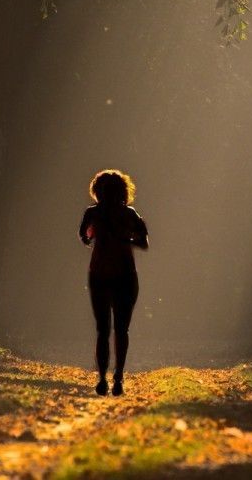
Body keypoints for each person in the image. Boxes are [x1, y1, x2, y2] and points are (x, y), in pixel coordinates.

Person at [78, 168, 148, 395]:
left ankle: (102, 378)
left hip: (99, 274)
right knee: (121, 329)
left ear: (97, 191)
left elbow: (84, 237)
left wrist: (98, 236)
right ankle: (118, 377)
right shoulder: (130, 214)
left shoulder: (92, 213)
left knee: (102, 329)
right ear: (123, 191)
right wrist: (125, 238)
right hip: (126, 275)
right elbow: (144, 242)